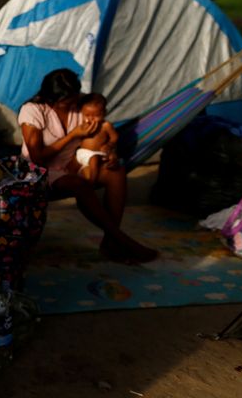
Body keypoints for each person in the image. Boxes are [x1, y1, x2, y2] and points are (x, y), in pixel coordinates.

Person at [19, 69, 157, 264]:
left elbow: (102, 132)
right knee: (79, 185)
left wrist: (110, 151)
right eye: (67, 102)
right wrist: (72, 136)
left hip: (73, 162)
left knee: (115, 172)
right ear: (52, 99)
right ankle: (121, 239)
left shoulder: (82, 105)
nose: (72, 105)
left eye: (75, 98)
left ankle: (109, 243)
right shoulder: (33, 110)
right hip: (39, 172)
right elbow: (38, 157)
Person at [75, 93, 119, 183]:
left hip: (99, 154)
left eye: (96, 116)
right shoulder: (82, 125)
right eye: (87, 115)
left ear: (104, 113)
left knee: (102, 158)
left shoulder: (105, 125)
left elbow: (115, 137)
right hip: (83, 153)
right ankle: (91, 181)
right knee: (92, 158)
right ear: (81, 113)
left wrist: (109, 145)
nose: (91, 118)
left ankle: (93, 180)